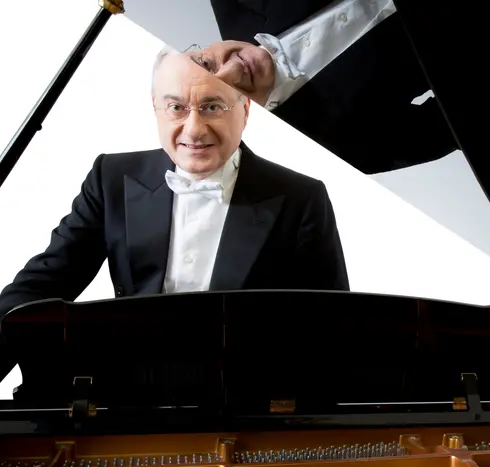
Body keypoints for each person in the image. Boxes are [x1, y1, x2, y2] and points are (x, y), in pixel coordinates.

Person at [0, 47, 350, 318]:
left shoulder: (303, 199)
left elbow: (331, 324)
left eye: (212, 107)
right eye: (177, 107)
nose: (194, 130)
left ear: (245, 110)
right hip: (130, 382)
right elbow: (41, 287)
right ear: (156, 108)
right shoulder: (111, 178)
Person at [198, 0, 458, 174]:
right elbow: (451, 125)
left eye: (206, 65)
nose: (234, 69)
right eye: (223, 99)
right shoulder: (339, 146)